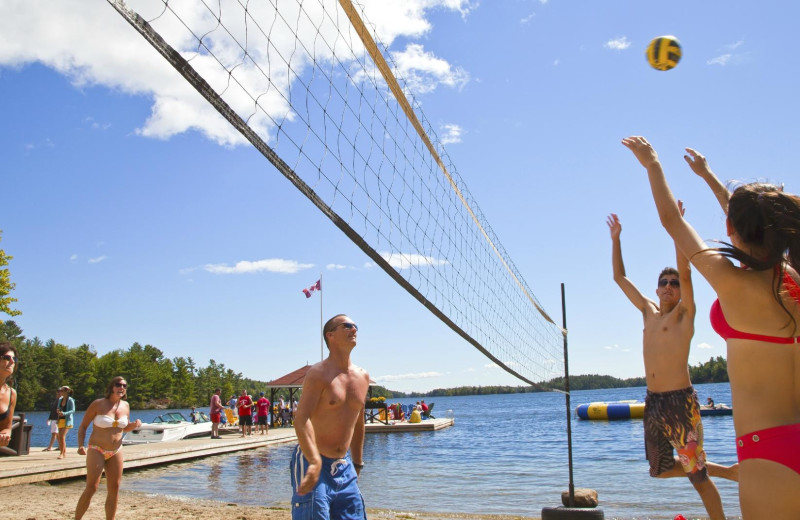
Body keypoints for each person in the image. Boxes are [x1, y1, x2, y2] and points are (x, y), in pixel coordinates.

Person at [623, 135, 800, 518]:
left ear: (729, 226)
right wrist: (707, 176)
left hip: (766, 448)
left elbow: (671, 220)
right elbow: (757, 221)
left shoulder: (735, 284)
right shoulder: (791, 279)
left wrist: (653, 164)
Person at [608, 208, 736, 520]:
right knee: (660, 470)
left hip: (681, 404)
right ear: (656, 288)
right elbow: (619, 278)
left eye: (674, 283)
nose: (668, 286)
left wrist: (676, 229)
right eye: (663, 282)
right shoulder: (648, 311)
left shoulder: (685, 315)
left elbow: (687, 270)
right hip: (653, 403)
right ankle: (729, 472)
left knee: (697, 478)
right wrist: (616, 240)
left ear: (680, 291)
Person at [290, 314, 369, 519]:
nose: (354, 329)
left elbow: (358, 423)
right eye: (348, 326)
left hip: (344, 465)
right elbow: (301, 419)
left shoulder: (363, 377)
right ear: (330, 335)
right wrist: (315, 460)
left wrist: (358, 463)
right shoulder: (318, 374)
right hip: (312, 460)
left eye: (355, 325)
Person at [75, 376, 142, 520]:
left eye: (124, 386)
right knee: (92, 487)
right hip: (96, 449)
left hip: (116, 450)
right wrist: (80, 445)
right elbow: (83, 426)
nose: (121, 388)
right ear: (111, 387)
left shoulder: (126, 406)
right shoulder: (98, 404)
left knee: (114, 488)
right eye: (118, 385)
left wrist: (134, 425)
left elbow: (123, 429)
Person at [0, 342, 18, 450]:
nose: (12, 361)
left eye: (14, 359)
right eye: (7, 358)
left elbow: (7, 427)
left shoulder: (11, 394)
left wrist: (5, 434)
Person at [56, 385, 76, 459]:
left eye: (61, 391)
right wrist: (58, 411)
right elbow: (58, 407)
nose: (60, 392)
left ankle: (62, 453)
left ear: (66, 392)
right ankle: (63, 453)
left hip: (67, 420)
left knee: (62, 436)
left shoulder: (70, 400)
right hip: (60, 419)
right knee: (60, 436)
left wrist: (64, 413)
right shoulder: (60, 399)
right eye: (59, 391)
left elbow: (73, 410)